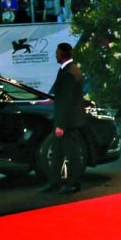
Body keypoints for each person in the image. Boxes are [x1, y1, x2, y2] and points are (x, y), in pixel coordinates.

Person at [46, 42, 90, 194]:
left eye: (57, 52)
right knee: (58, 152)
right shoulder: (69, 70)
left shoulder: (70, 73)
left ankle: (73, 183)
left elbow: (67, 101)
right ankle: (54, 182)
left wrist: (61, 125)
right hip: (66, 120)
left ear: (62, 54)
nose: (55, 55)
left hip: (68, 122)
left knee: (72, 153)